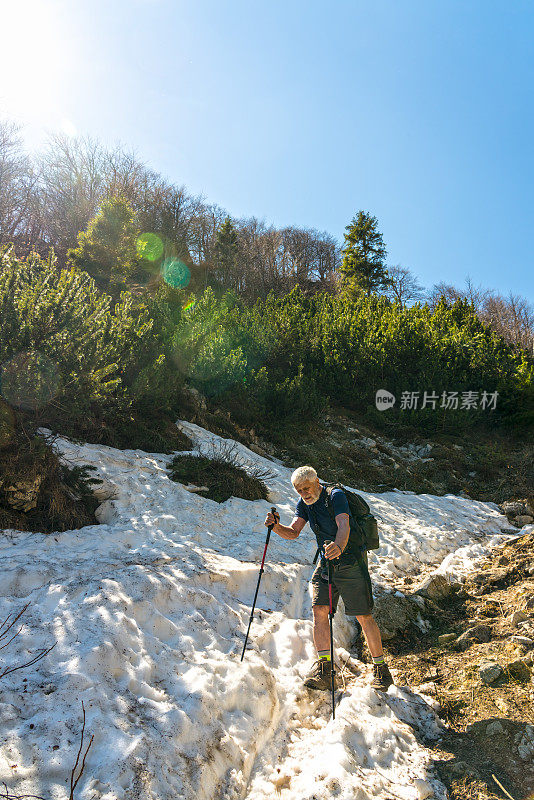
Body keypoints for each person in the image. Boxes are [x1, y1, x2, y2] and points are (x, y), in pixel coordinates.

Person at [265, 465, 393, 692]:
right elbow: (294, 532)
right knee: (319, 610)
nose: (304, 493)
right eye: (299, 490)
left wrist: (339, 546)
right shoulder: (304, 504)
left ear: (316, 483)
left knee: (363, 616)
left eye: (307, 488)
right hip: (326, 564)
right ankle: (324, 669)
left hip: (352, 561)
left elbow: (343, 524)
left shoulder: (336, 495)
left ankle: (381, 669)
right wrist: (275, 527)